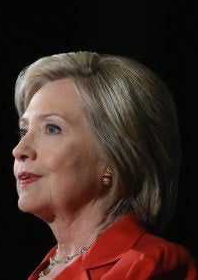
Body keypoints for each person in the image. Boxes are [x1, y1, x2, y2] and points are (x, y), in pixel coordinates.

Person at [11, 51, 197, 279]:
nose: (19, 149)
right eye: (24, 130)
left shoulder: (151, 263)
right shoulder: (45, 270)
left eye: (52, 128)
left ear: (113, 156)